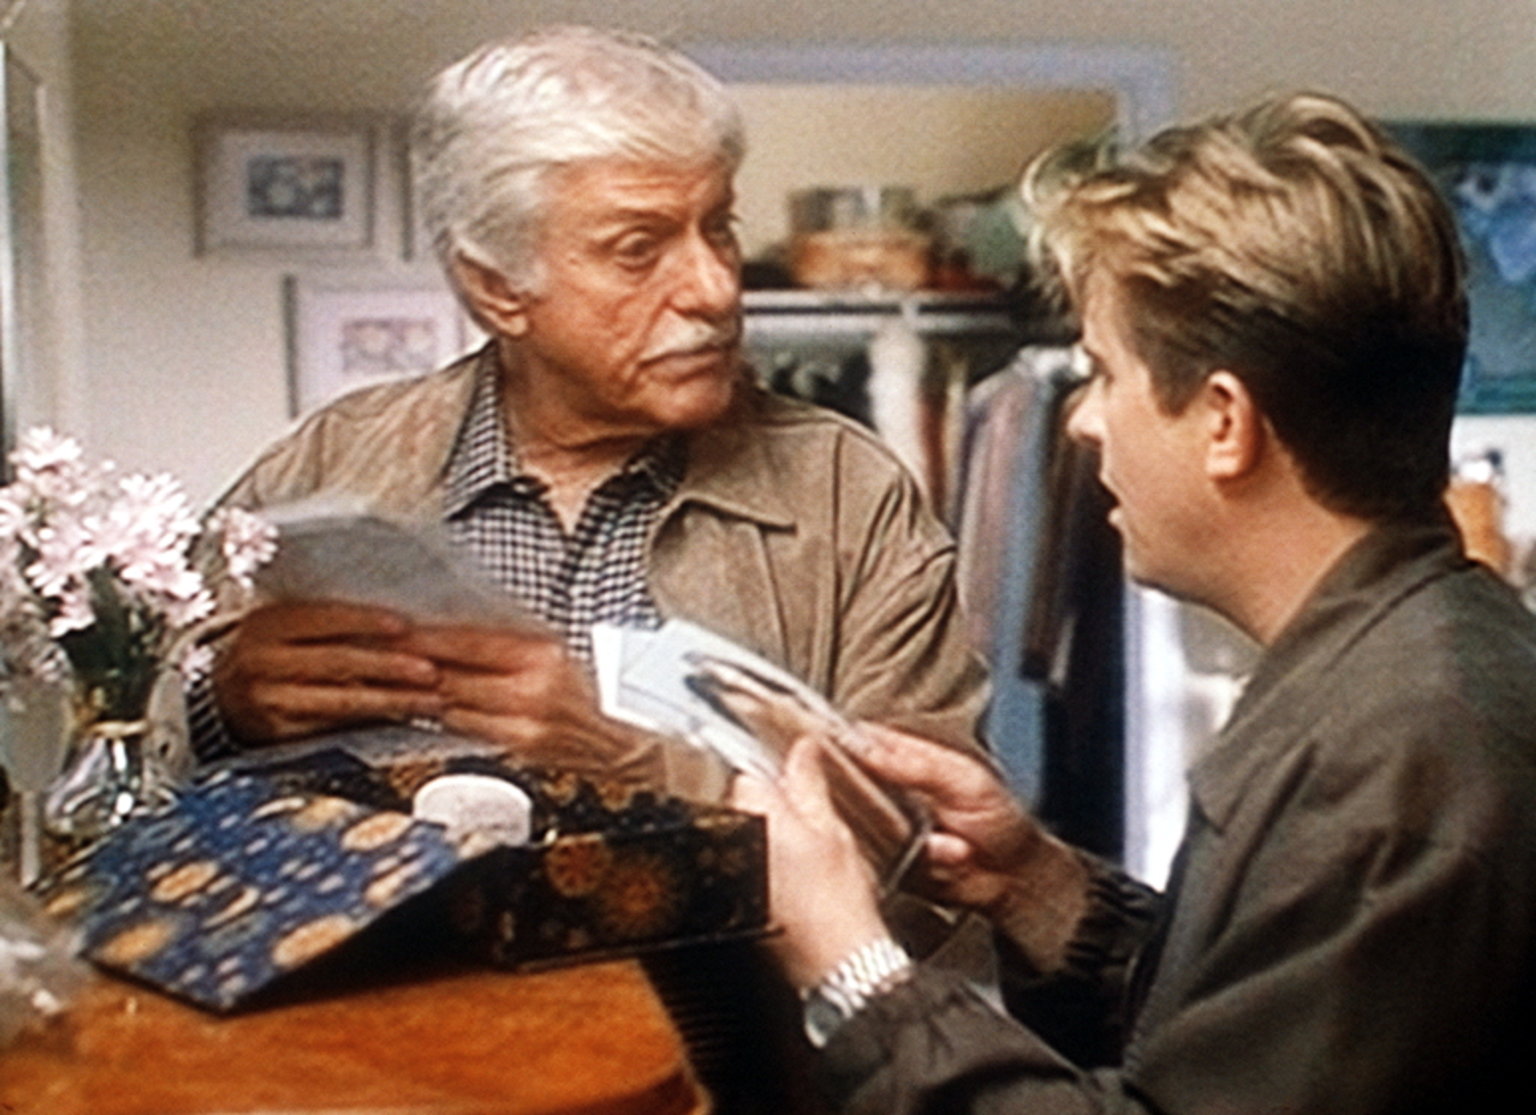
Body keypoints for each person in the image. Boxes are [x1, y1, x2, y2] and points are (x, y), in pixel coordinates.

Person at [189, 27, 987, 1115]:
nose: (714, 287)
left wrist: (641, 765)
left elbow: (935, 866)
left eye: (719, 225)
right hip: (379, 1081)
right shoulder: (330, 462)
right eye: (639, 247)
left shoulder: (851, 495)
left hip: (737, 1084)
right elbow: (138, 767)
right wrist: (222, 697)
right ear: (494, 287)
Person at [736, 91, 1536, 1113]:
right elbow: (1261, 1039)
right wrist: (1030, 883)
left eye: (1103, 373)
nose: (1079, 420)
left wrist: (849, 963)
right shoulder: (1400, 676)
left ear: (1223, 422)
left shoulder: (1405, 759)